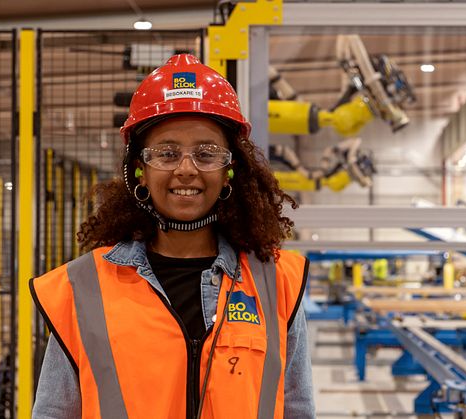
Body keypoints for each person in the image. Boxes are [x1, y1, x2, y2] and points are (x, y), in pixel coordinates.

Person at [30, 54, 314, 419]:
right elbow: (53, 412)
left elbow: (298, 409)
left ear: (229, 171)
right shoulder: (83, 288)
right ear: (140, 170)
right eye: (166, 153)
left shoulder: (277, 281)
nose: (186, 169)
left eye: (206, 153)